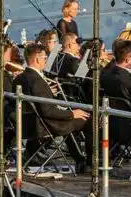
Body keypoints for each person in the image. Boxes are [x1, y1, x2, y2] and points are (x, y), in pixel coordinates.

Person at [14, 43, 92, 172]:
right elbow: (48, 111)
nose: (46, 60)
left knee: (73, 119)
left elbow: (36, 100)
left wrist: (48, 92)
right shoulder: (37, 81)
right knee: (89, 119)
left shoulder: (20, 78)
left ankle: (78, 158)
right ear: (38, 59)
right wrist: (72, 114)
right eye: (45, 58)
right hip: (45, 125)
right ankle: (87, 163)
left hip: (27, 122)